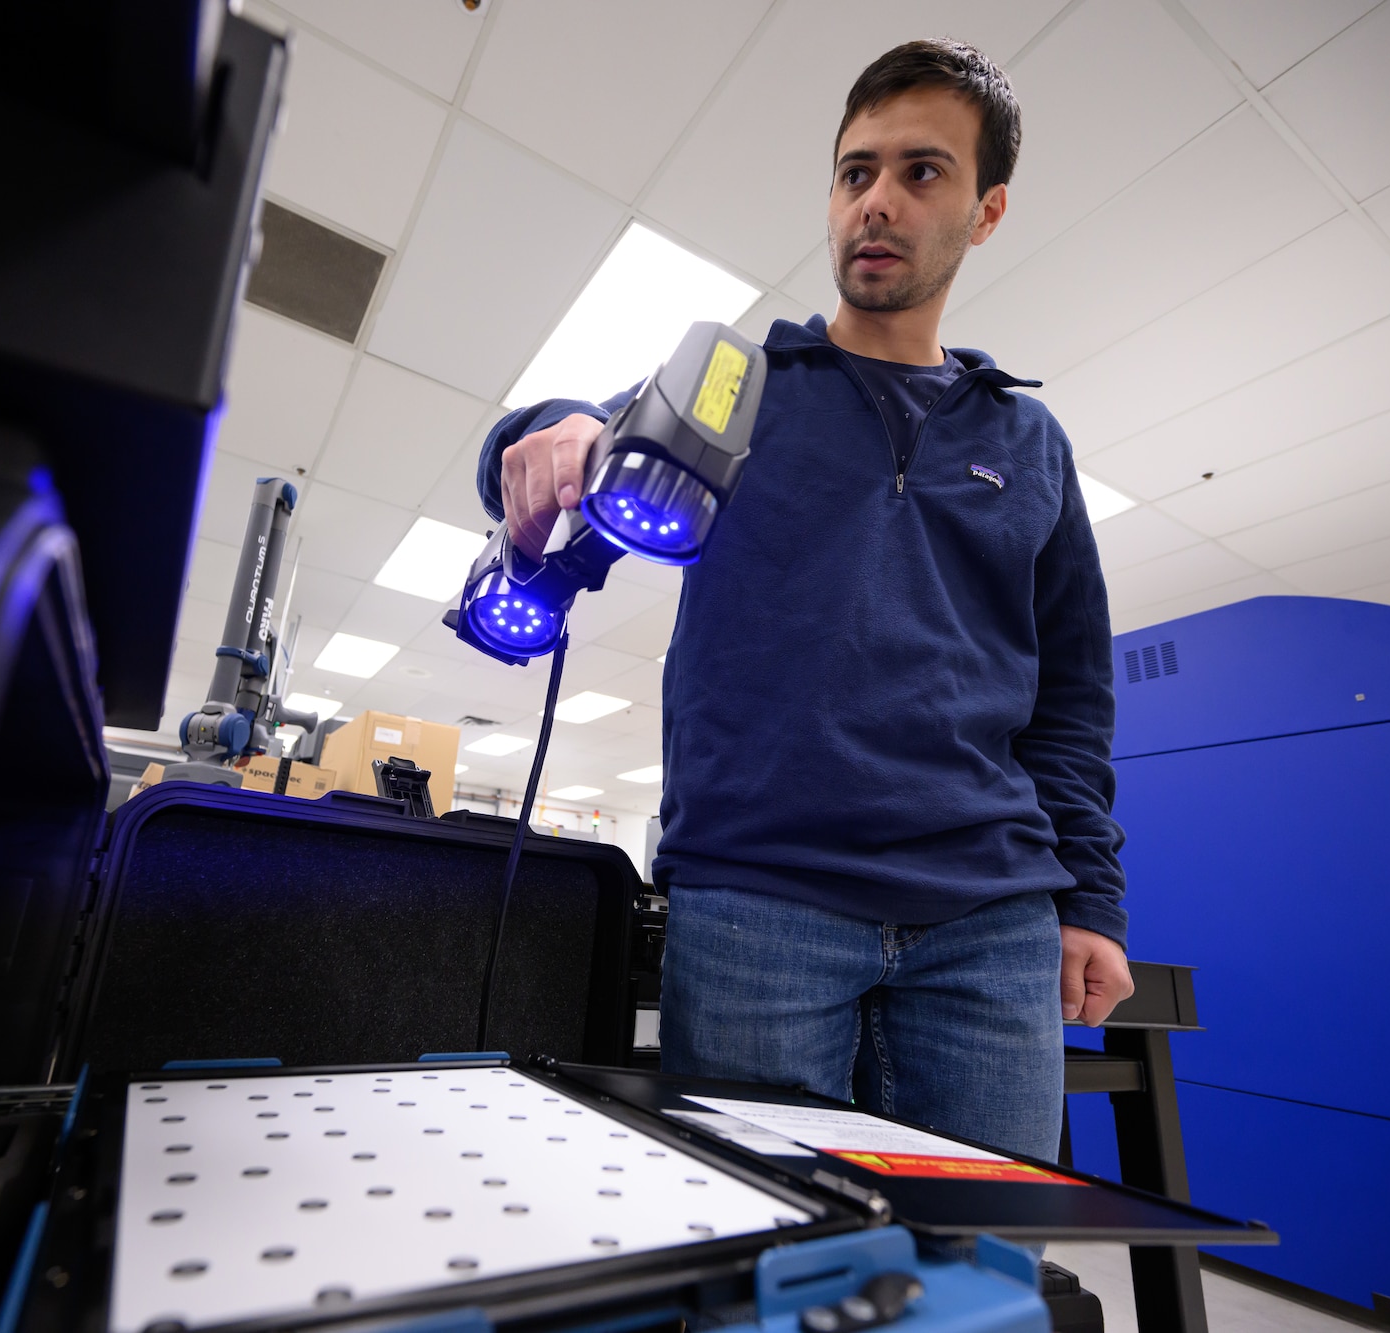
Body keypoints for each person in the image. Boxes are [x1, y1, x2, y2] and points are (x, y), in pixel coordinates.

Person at [475, 39, 1131, 1163]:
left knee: (982, 1266)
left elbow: (1069, 701)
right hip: (756, 904)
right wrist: (552, 430)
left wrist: (1093, 902)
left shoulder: (1028, 442)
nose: (874, 202)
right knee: (757, 1256)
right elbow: (548, 438)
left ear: (985, 211)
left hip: (988, 920)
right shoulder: (740, 385)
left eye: (918, 172)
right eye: (853, 172)